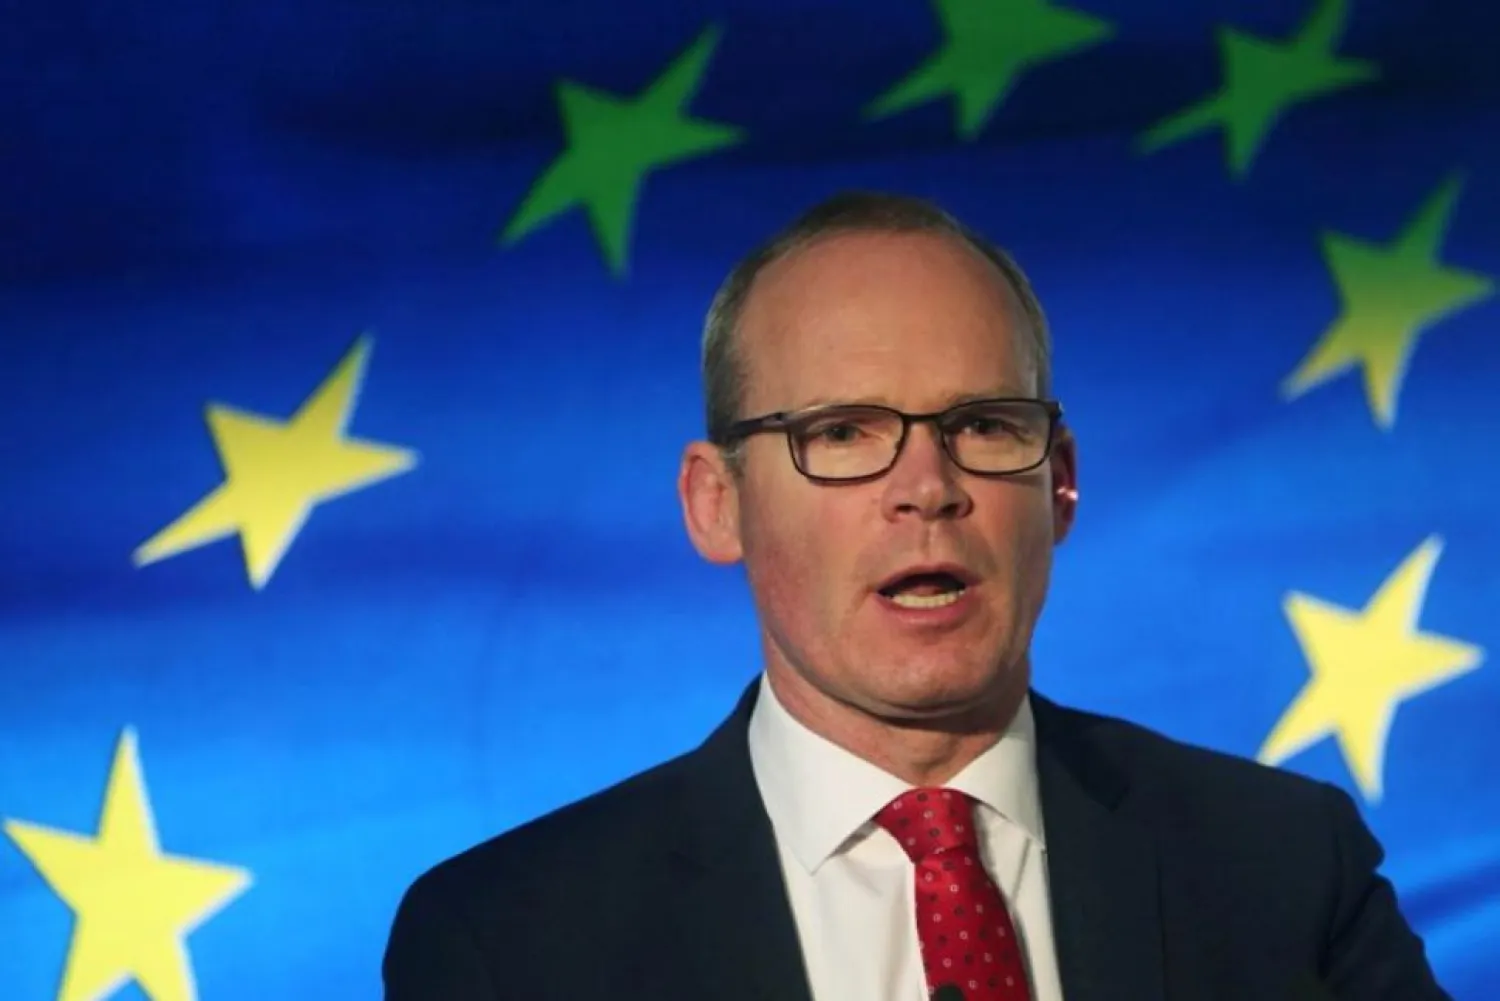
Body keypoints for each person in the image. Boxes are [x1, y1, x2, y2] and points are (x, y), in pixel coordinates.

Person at [381, 192, 1451, 1001]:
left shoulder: (1282, 865)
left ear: (1059, 484)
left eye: (983, 424)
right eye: (843, 432)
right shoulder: (509, 942)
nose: (928, 486)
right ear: (718, 504)